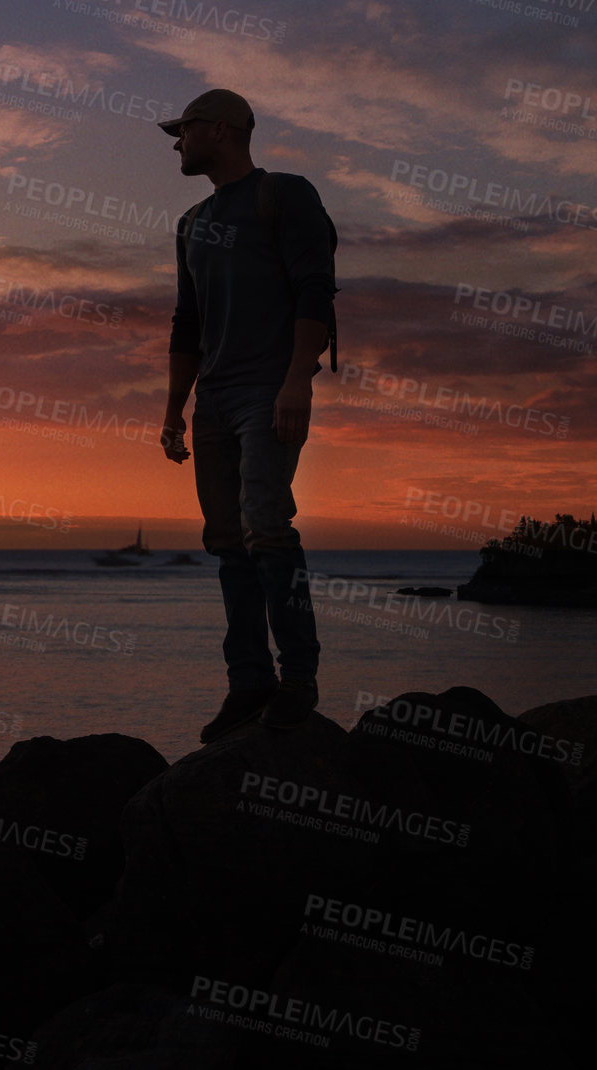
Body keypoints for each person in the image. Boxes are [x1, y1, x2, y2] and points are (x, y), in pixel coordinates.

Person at [155, 89, 337, 742]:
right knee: (227, 543)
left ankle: (298, 682)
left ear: (221, 130)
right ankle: (247, 683)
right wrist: (174, 410)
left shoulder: (284, 195)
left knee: (266, 526)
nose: (177, 143)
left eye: (185, 131)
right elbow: (187, 322)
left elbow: (316, 287)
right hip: (213, 402)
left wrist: (297, 380)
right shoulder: (190, 224)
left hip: (269, 389)